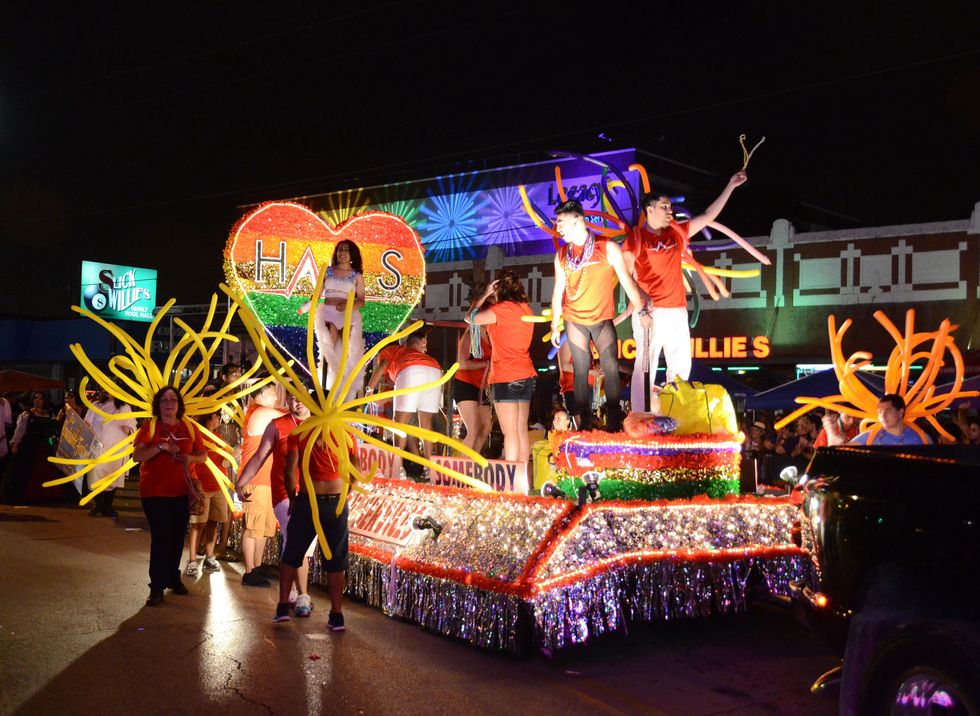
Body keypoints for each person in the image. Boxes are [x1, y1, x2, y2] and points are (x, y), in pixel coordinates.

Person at [622, 172, 748, 411]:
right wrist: (640, 310)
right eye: (664, 206)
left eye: (670, 206)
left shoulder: (676, 233)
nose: (670, 210)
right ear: (649, 209)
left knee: (680, 365)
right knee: (645, 364)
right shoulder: (636, 238)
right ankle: (640, 415)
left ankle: (676, 412)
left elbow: (708, 215)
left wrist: (730, 185)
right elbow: (625, 277)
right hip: (650, 311)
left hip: (677, 309)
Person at [550, 199, 644, 432]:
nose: (558, 228)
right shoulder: (562, 255)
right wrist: (554, 325)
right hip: (574, 320)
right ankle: (584, 423)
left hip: (602, 319)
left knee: (611, 366)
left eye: (561, 222)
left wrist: (641, 309)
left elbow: (626, 281)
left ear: (577, 220)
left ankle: (613, 420)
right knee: (581, 370)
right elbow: (557, 292)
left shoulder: (607, 247)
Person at [237, 390, 315, 616]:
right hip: (284, 494)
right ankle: (301, 596)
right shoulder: (277, 425)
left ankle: (292, 593)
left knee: (304, 548)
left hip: (314, 495)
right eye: (292, 397)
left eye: (303, 396)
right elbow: (259, 456)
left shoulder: (321, 424)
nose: (297, 401)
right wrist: (241, 482)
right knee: (297, 541)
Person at [274, 416, 355, 632]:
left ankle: (283, 607)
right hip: (330, 503)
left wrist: (292, 498)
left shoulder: (302, 431)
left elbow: (290, 471)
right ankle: (336, 614)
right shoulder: (344, 431)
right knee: (334, 560)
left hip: (311, 502)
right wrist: (346, 493)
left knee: (293, 554)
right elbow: (356, 468)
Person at [132, 387, 206, 606]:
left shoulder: (190, 427)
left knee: (176, 539)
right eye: (164, 400)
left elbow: (203, 456)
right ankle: (156, 587)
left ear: (179, 404)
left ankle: (173, 577)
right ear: (158, 404)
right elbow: (137, 456)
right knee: (161, 538)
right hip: (154, 492)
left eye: (173, 400)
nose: (169, 404)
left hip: (183, 492)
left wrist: (189, 457)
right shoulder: (151, 427)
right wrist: (162, 446)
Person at [466, 269, 536, 468]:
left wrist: (485, 295)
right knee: (522, 429)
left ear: (498, 289)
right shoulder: (526, 309)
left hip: (505, 374)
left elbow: (470, 318)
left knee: (510, 432)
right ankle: (523, 479)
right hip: (526, 373)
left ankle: (512, 477)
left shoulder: (500, 310)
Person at [297, 240, 366, 398]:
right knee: (328, 351)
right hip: (328, 314)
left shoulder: (357, 276)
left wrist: (348, 305)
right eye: (340, 249)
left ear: (352, 255)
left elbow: (361, 301)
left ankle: (346, 394)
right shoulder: (328, 271)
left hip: (348, 315)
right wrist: (305, 307)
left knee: (347, 354)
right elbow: (317, 295)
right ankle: (325, 392)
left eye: (346, 250)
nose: (342, 253)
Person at [235, 380, 286, 587]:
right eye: (273, 394)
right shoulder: (260, 412)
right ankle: (248, 571)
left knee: (265, 528)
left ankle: (257, 565)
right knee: (253, 528)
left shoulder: (265, 412)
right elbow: (289, 417)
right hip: (254, 480)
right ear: (262, 395)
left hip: (267, 480)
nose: (276, 398)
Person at [366, 332, 443, 464]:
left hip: (411, 368)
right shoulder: (406, 351)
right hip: (435, 369)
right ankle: (429, 468)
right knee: (426, 424)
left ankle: (398, 465)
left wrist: (370, 390)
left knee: (400, 423)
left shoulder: (389, 350)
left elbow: (383, 365)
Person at [184, 410, 229, 576]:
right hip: (201, 487)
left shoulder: (219, 439)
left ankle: (209, 556)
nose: (219, 419)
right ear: (209, 418)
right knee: (198, 524)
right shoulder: (197, 437)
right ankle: (192, 560)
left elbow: (224, 461)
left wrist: (234, 455)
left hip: (218, 486)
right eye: (217, 416)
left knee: (213, 522)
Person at [1, 391, 60, 504]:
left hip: (44, 447)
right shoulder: (26, 414)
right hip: (29, 447)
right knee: (24, 472)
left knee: (44, 472)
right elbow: (19, 431)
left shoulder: (49, 414)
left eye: (40, 398)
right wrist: (15, 444)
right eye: (36, 398)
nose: (37, 400)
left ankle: (44, 496)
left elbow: (52, 430)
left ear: (44, 400)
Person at [84, 392, 137, 517]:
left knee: (112, 477)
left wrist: (128, 429)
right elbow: (87, 423)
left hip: (116, 449)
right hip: (97, 449)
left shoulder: (124, 407)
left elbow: (132, 427)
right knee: (94, 477)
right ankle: (97, 504)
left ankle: (108, 506)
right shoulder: (96, 405)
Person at [212, 364, 243, 562]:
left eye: (239, 375)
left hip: (232, 451)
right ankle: (211, 544)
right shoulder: (216, 396)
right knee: (216, 497)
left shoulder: (239, 397)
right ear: (224, 377)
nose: (238, 377)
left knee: (229, 499)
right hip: (217, 450)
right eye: (234, 375)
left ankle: (222, 545)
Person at [453, 320, 492, 455]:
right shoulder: (470, 335)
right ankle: (463, 467)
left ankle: (472, 460)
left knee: (486, 427)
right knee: (473, 429)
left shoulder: (490, 336)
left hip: (482, 387)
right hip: (466, 383)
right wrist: (486, 364)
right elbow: (462, 364)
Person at [850, 394, 931, 446]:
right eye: (880, 412)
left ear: (900, 412)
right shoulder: (869, 437)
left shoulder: (921, 437)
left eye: (887, 411)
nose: (883, 416)